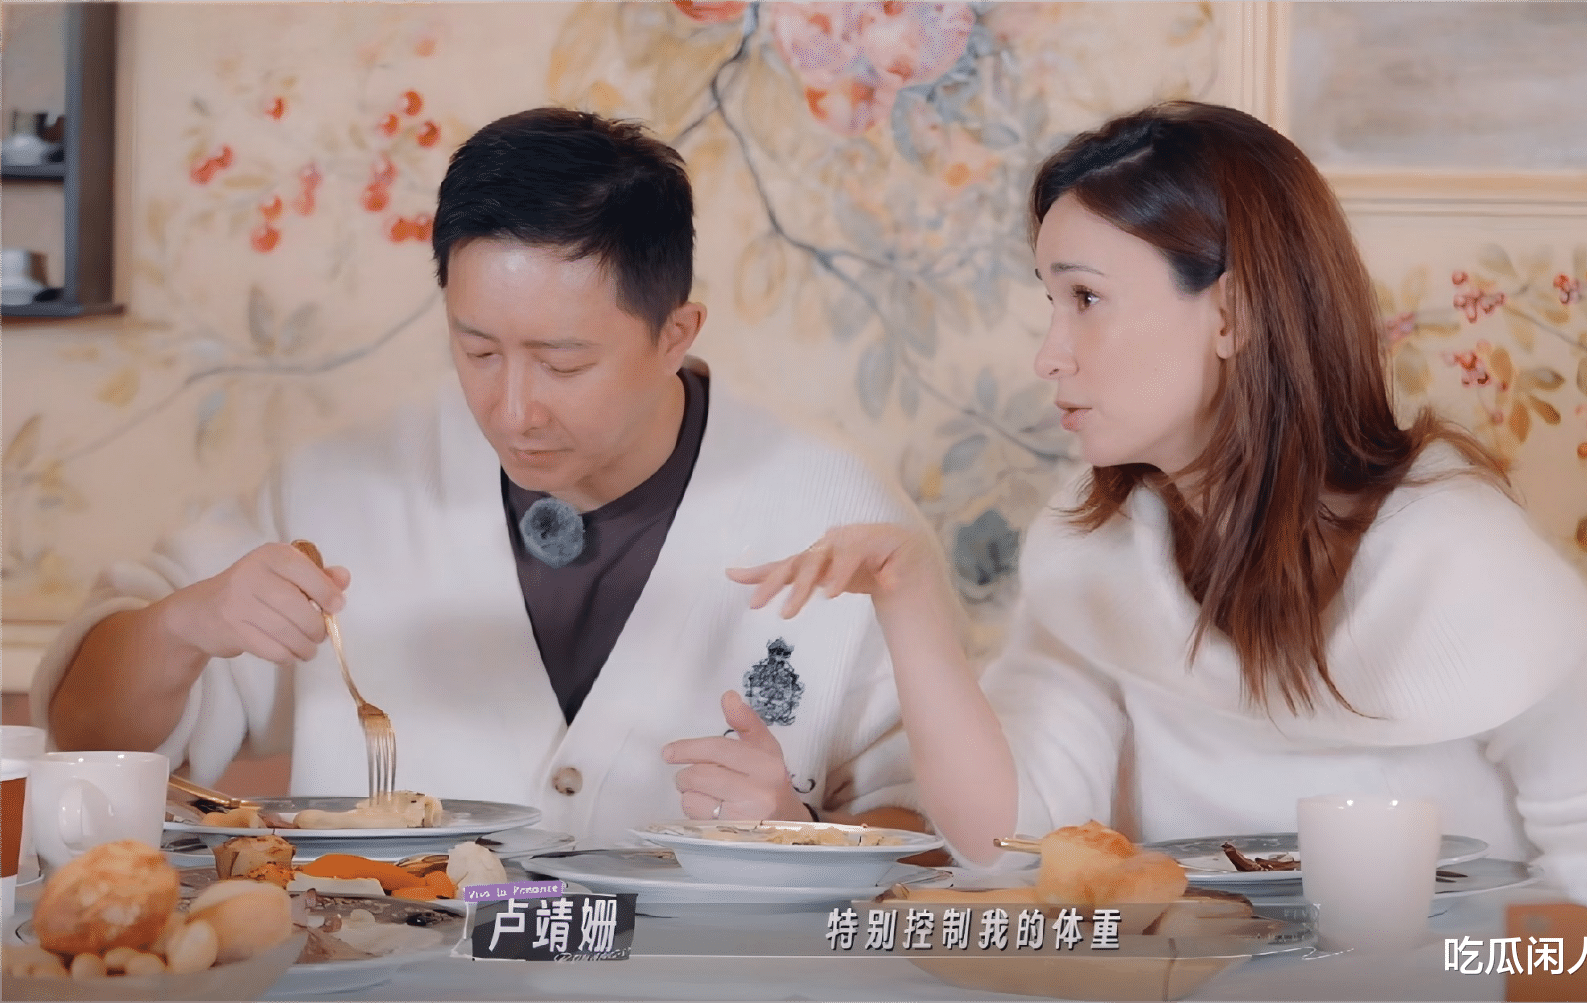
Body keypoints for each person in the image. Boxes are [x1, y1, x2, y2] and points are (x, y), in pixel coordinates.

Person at [731, 101, 1587, 928]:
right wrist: (908, 599)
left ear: (1232, 314)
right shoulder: (1092, 549)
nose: (1049, 354)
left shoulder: (1458, 555)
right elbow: (1005, 844)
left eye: (1086, 298)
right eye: (1050, 301)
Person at [35, 108, 925, 845]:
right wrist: (186, 624)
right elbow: (89, 733)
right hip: (379, 969)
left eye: (563, 363)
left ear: (674, 335)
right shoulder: (335, 486)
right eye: (478, 350)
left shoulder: (834, 513)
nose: (513, 410)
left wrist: (802, 833)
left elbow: (938, 829)